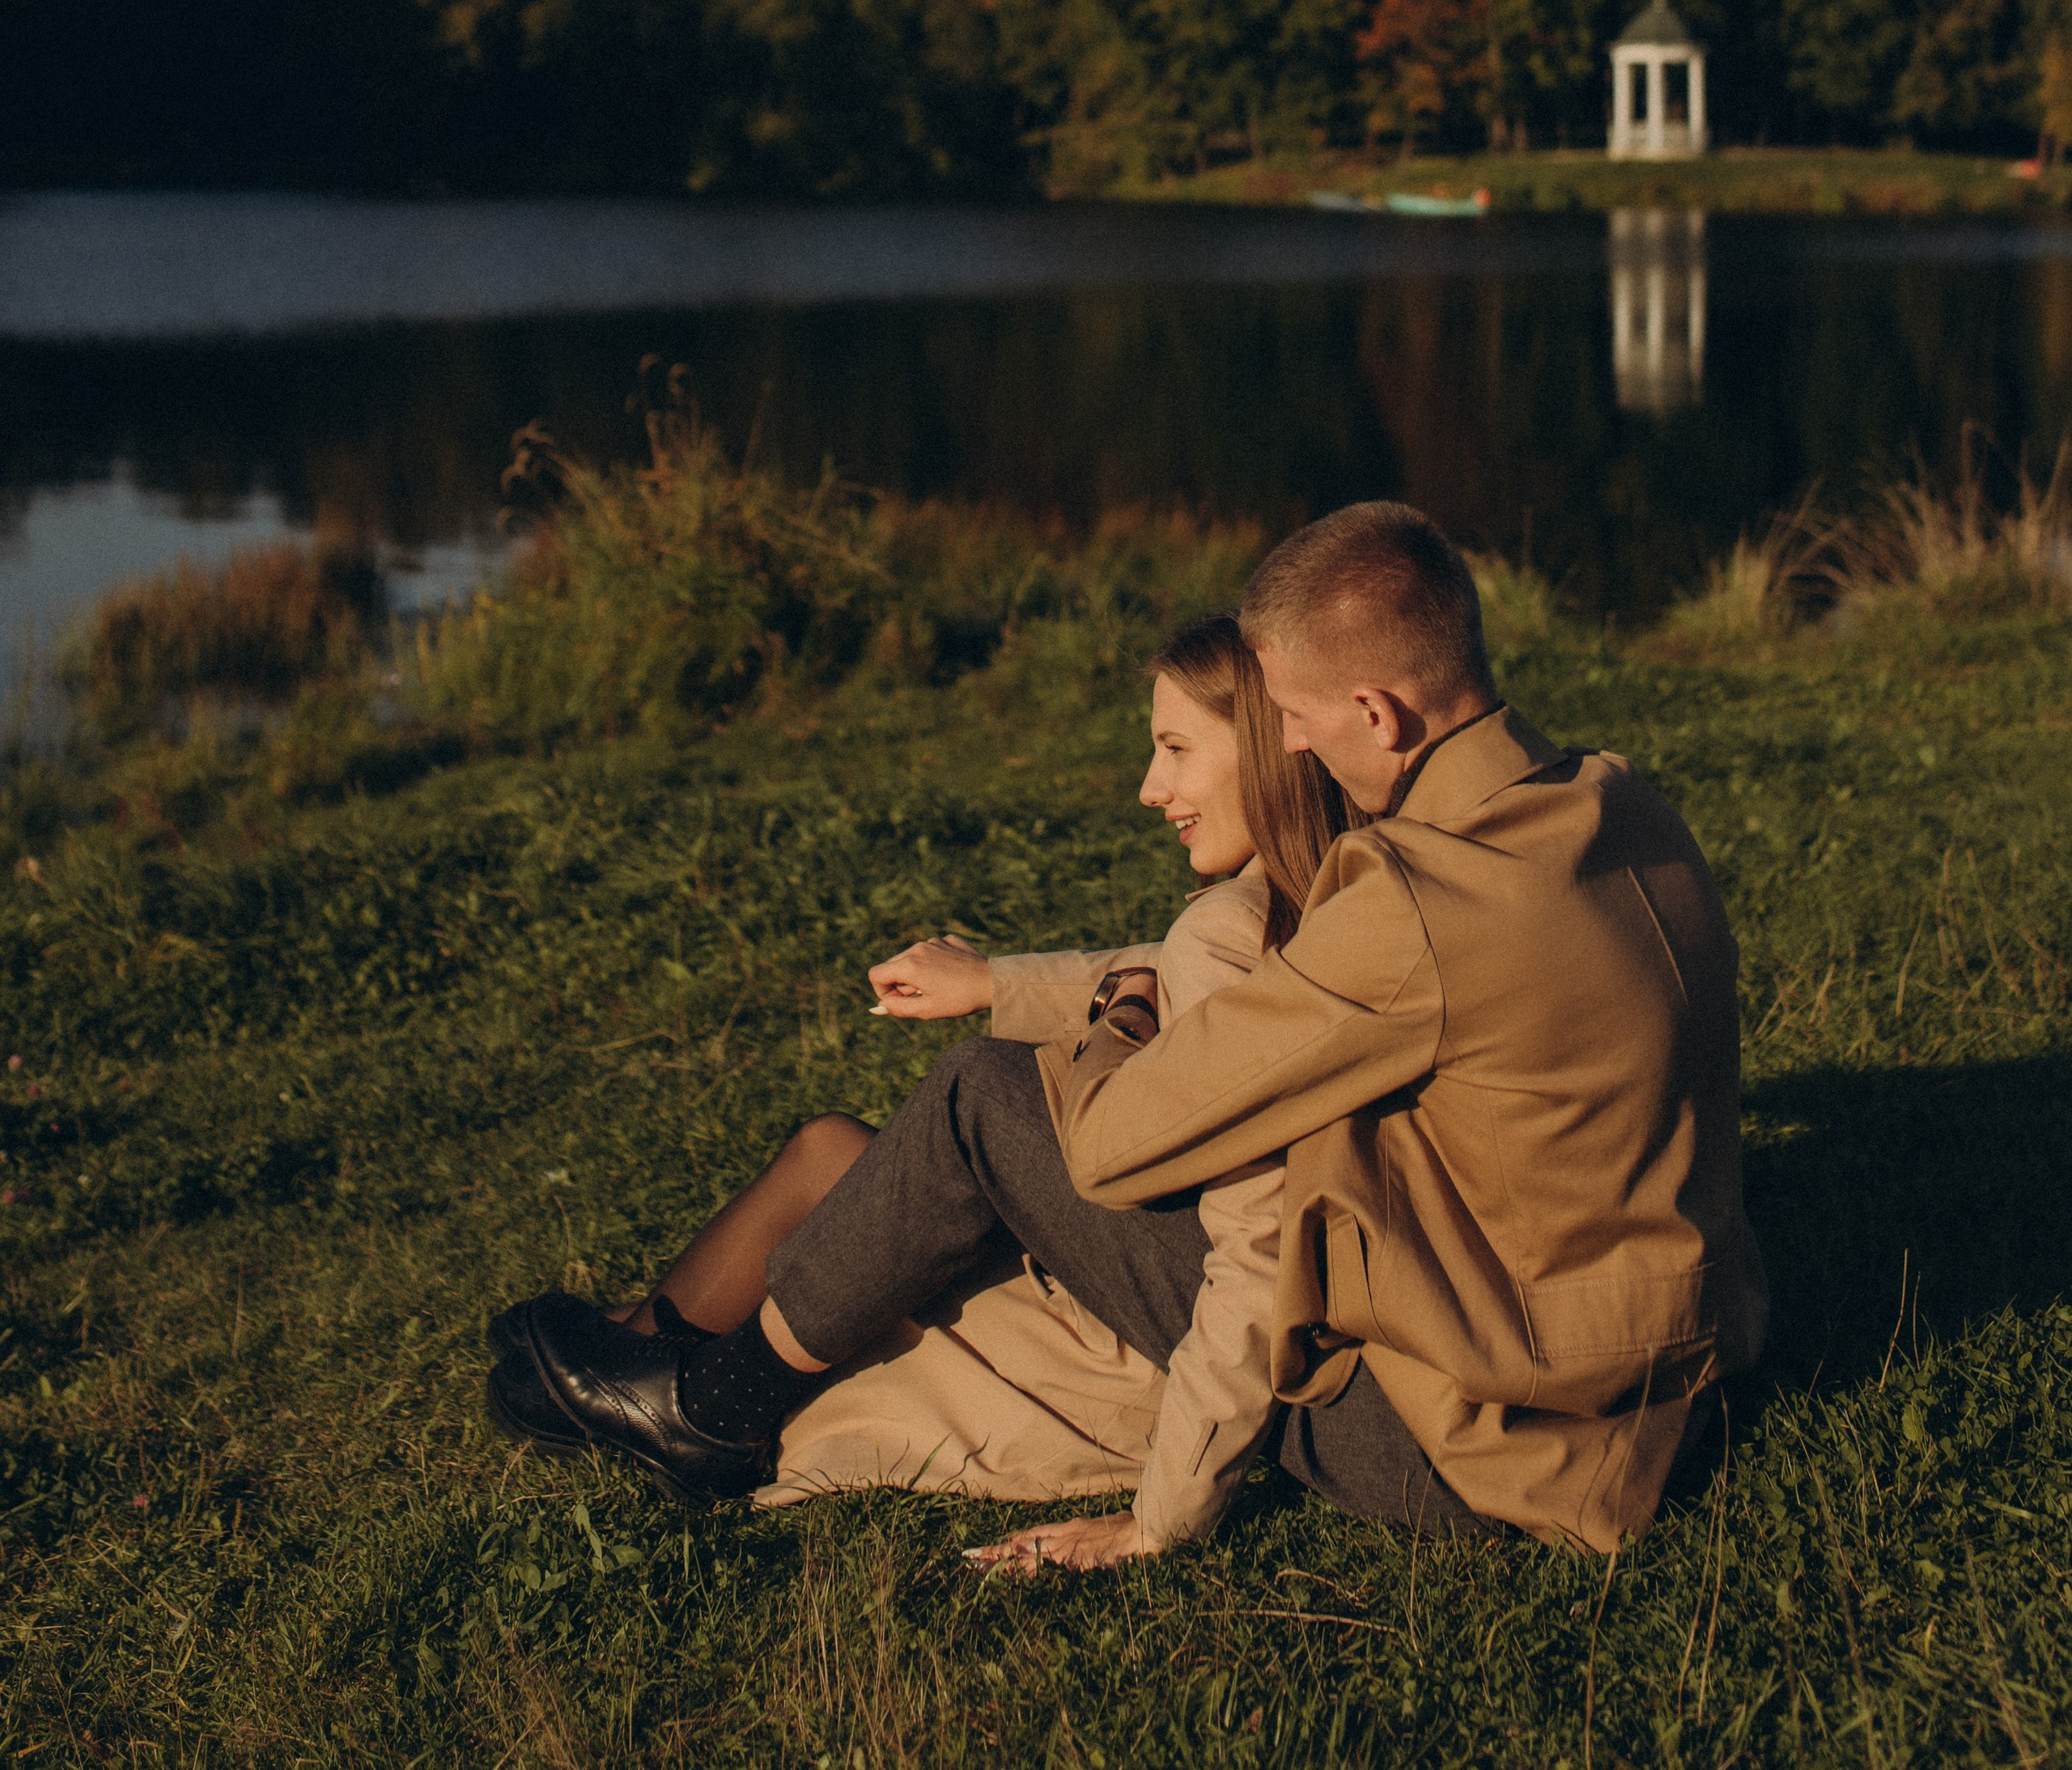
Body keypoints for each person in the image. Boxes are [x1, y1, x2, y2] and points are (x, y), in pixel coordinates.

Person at [504, 500, 1768, 1556]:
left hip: (1470, 1449)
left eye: (1305, 722)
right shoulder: (1612, 806)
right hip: (1658, 1396)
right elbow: (1312, 990)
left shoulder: (1416, 908)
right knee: (917, 1125)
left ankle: (716, 1411)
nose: (1304, 752)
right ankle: (652, 1358)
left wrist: (1109, 1012)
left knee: (989, 1099)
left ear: (1377, 714)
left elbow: (1112, 1146)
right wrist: (1042, 977)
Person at [486, 615, 1348, 1565]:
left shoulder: (1234, 929)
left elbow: (1251, 1237)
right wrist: (1002, 985)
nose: (1150, 788)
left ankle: (692, 1399)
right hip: (1180, 1260)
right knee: (834, 1152)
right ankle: (643, 1356)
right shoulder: (1332, 885)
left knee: (938, 1119)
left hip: (1177, 1312)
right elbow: (1179, 974)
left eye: (1175, 750)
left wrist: (1163, 1521)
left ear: (1271, 749)